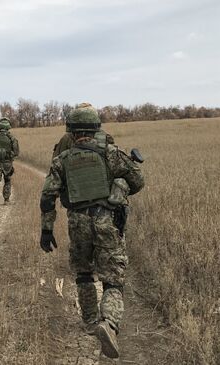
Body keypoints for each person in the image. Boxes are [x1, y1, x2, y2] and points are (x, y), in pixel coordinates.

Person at [39, 104, 144, 359]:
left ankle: (89, 322)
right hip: (107, 220)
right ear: (96, 128)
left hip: (78, 223)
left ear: (72, 133)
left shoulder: (61, 160)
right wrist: (120, 186)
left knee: (84, 273)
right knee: (113, 277)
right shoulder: (111, 153)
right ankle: (109, 322)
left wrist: (46, 229)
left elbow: (48, 196)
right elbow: (138, 181)